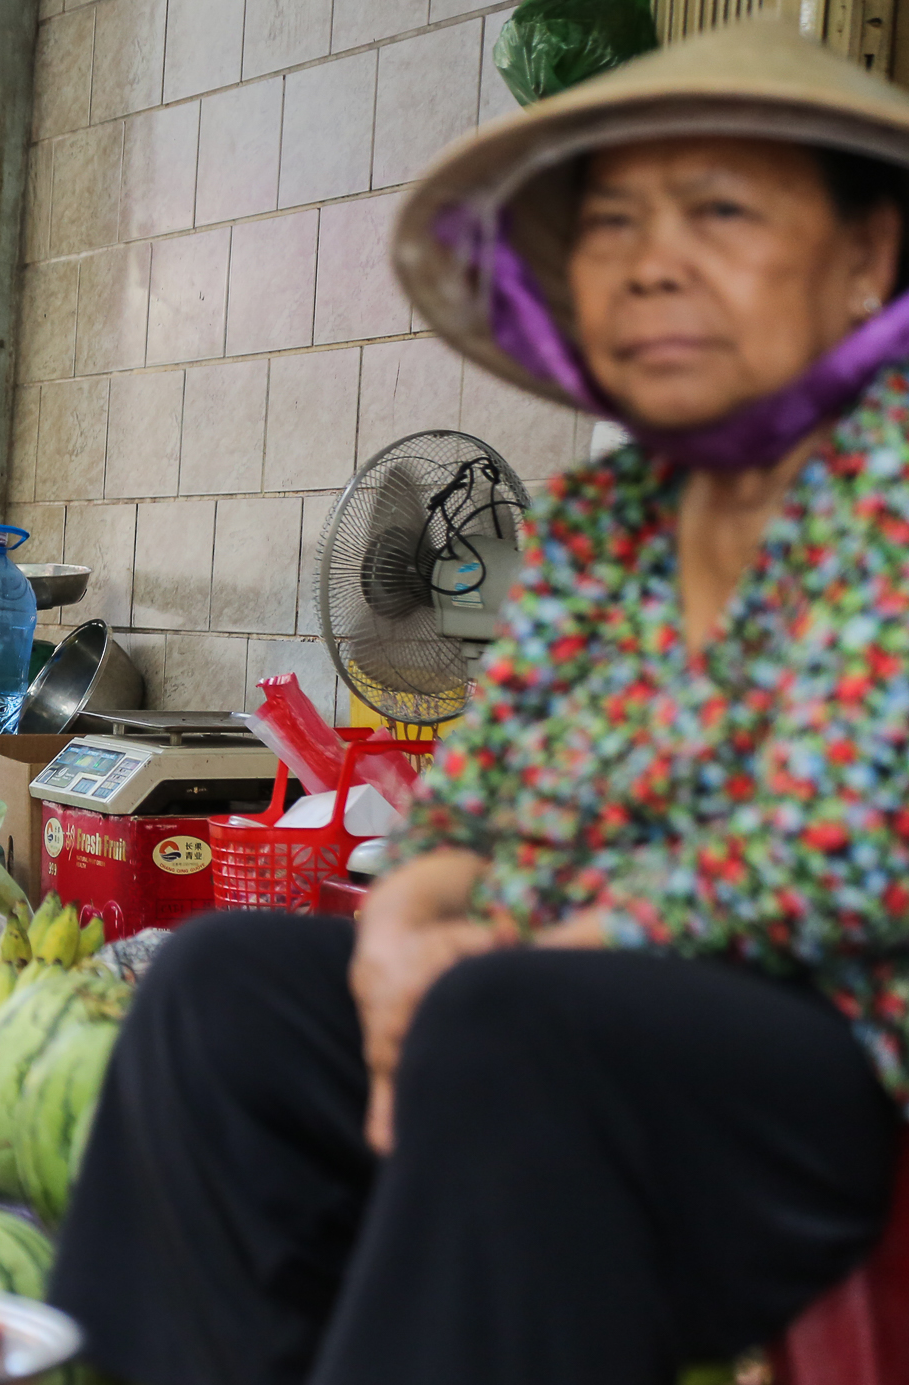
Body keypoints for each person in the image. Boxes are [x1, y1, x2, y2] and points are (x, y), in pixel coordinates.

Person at [50, 21, 909, 1385]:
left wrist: (523, 944)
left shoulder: (888, 480)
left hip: (826, 1072)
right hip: (539, 1008)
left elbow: (847, 839)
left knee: (508, 1024)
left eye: (723, 211)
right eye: (613, 223)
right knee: (221, 994)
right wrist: (400, 931)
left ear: (867, 257)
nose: (654, 262)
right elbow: (477, 798)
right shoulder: (613, 520)